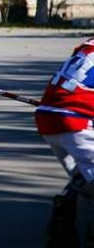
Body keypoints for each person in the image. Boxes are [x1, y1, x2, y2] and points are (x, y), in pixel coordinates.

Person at [34, 38, 94, 247]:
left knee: (82, 179)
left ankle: (61, 229)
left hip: (48, 116)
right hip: (75, 121)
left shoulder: (88, 45)